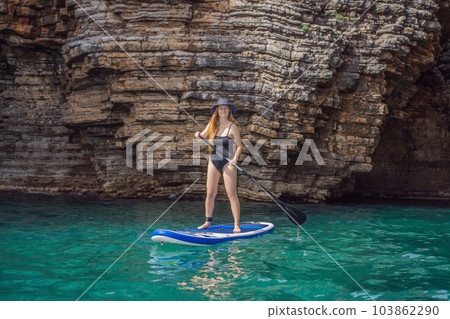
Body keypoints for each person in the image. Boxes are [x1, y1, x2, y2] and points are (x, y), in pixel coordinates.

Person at [194, 98, 243, 233]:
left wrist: (235, 159)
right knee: (210, 193)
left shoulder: (233, 127)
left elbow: (239, 146)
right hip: (214, 160)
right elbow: (202, 136)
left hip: (229, 162)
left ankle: (237, 225)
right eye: (221, 108)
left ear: (229, 111)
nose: (223, 110)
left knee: (231, 193)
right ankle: (207, 222)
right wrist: (197, 134)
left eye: (225, 108)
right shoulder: (213, 124)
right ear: (217, 110)